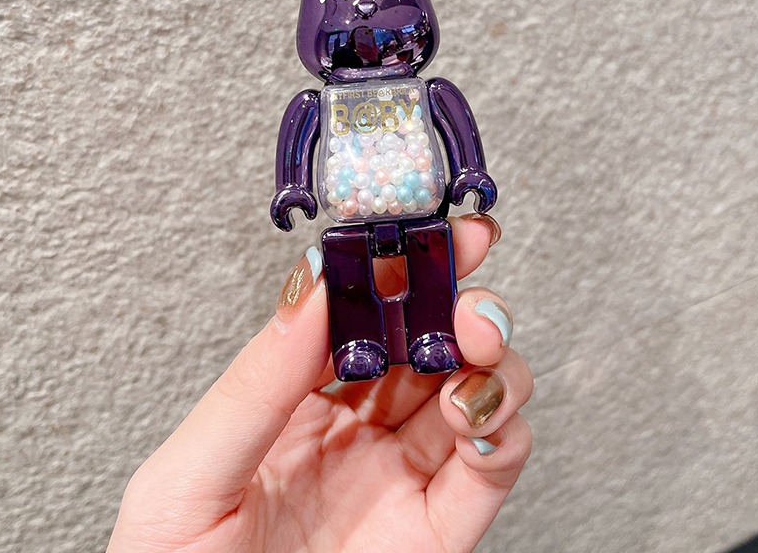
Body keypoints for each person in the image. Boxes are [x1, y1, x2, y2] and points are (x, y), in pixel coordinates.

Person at [106, 214, 533, 553]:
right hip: (352, 224)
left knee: (433, 266)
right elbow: (301, 134)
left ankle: (431, 339)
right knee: (351, 276)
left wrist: (467, 173)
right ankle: (362, 347)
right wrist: (294, 189)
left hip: (421, 223)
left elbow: (451, 124)